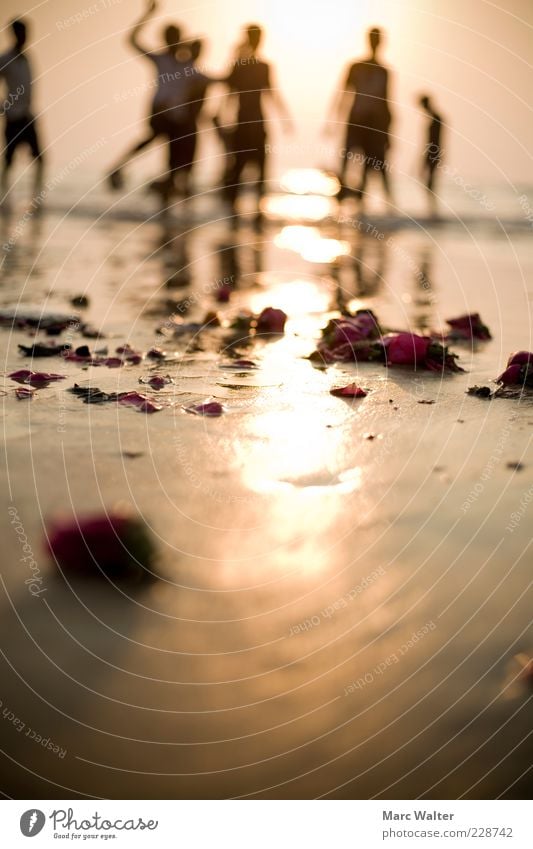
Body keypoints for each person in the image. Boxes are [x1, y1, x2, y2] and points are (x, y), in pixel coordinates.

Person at [107, 0, 187, 190]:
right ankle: (119, 167)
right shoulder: (160, 59)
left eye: (176, 37)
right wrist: (148, 15)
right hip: (160, 111)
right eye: (171, 37)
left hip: (177, 116)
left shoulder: (186, 65)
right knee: (156, 139)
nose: (174, 41)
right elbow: (132, 40)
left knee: (169, 149)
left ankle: (165, 185)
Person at [222, 24, 292, 221]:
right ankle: (235, 211)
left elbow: (271, 92)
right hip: (243, 123)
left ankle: (257, 211)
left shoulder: (263, 66)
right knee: (239, 167)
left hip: (256, 122)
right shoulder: (240, 64)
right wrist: (223, 117)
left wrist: (284, 118)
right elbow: (230, 94)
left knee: (259, 166)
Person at [329, 27, 393, 205]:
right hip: (356, 120)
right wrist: (333, 121)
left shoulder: (384, 71)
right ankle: (341, 204)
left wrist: (387, 132)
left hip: (373, 124)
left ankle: (362, 209)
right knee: (346, 160)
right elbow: (343, 93)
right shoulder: (355, 66)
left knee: (368, 165)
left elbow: (386, 102)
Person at [0, 18, 44, 201]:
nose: (25, 36)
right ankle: (4, 196)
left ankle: (37, 197)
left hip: (27, 116)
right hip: (13, 117)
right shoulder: (6, 59)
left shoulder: (26, 57)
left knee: (40, 159)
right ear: (15, 34)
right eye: (22, 32)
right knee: (9, 160)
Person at [419, 94, 444, 215]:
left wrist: (429, 156)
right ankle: (432, 209)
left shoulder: (436, 118)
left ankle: (433, 210)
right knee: (429, 182)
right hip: (432, 153)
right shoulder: (434, 118)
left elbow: (434, 141)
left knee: (430, 183)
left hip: (433, 153)